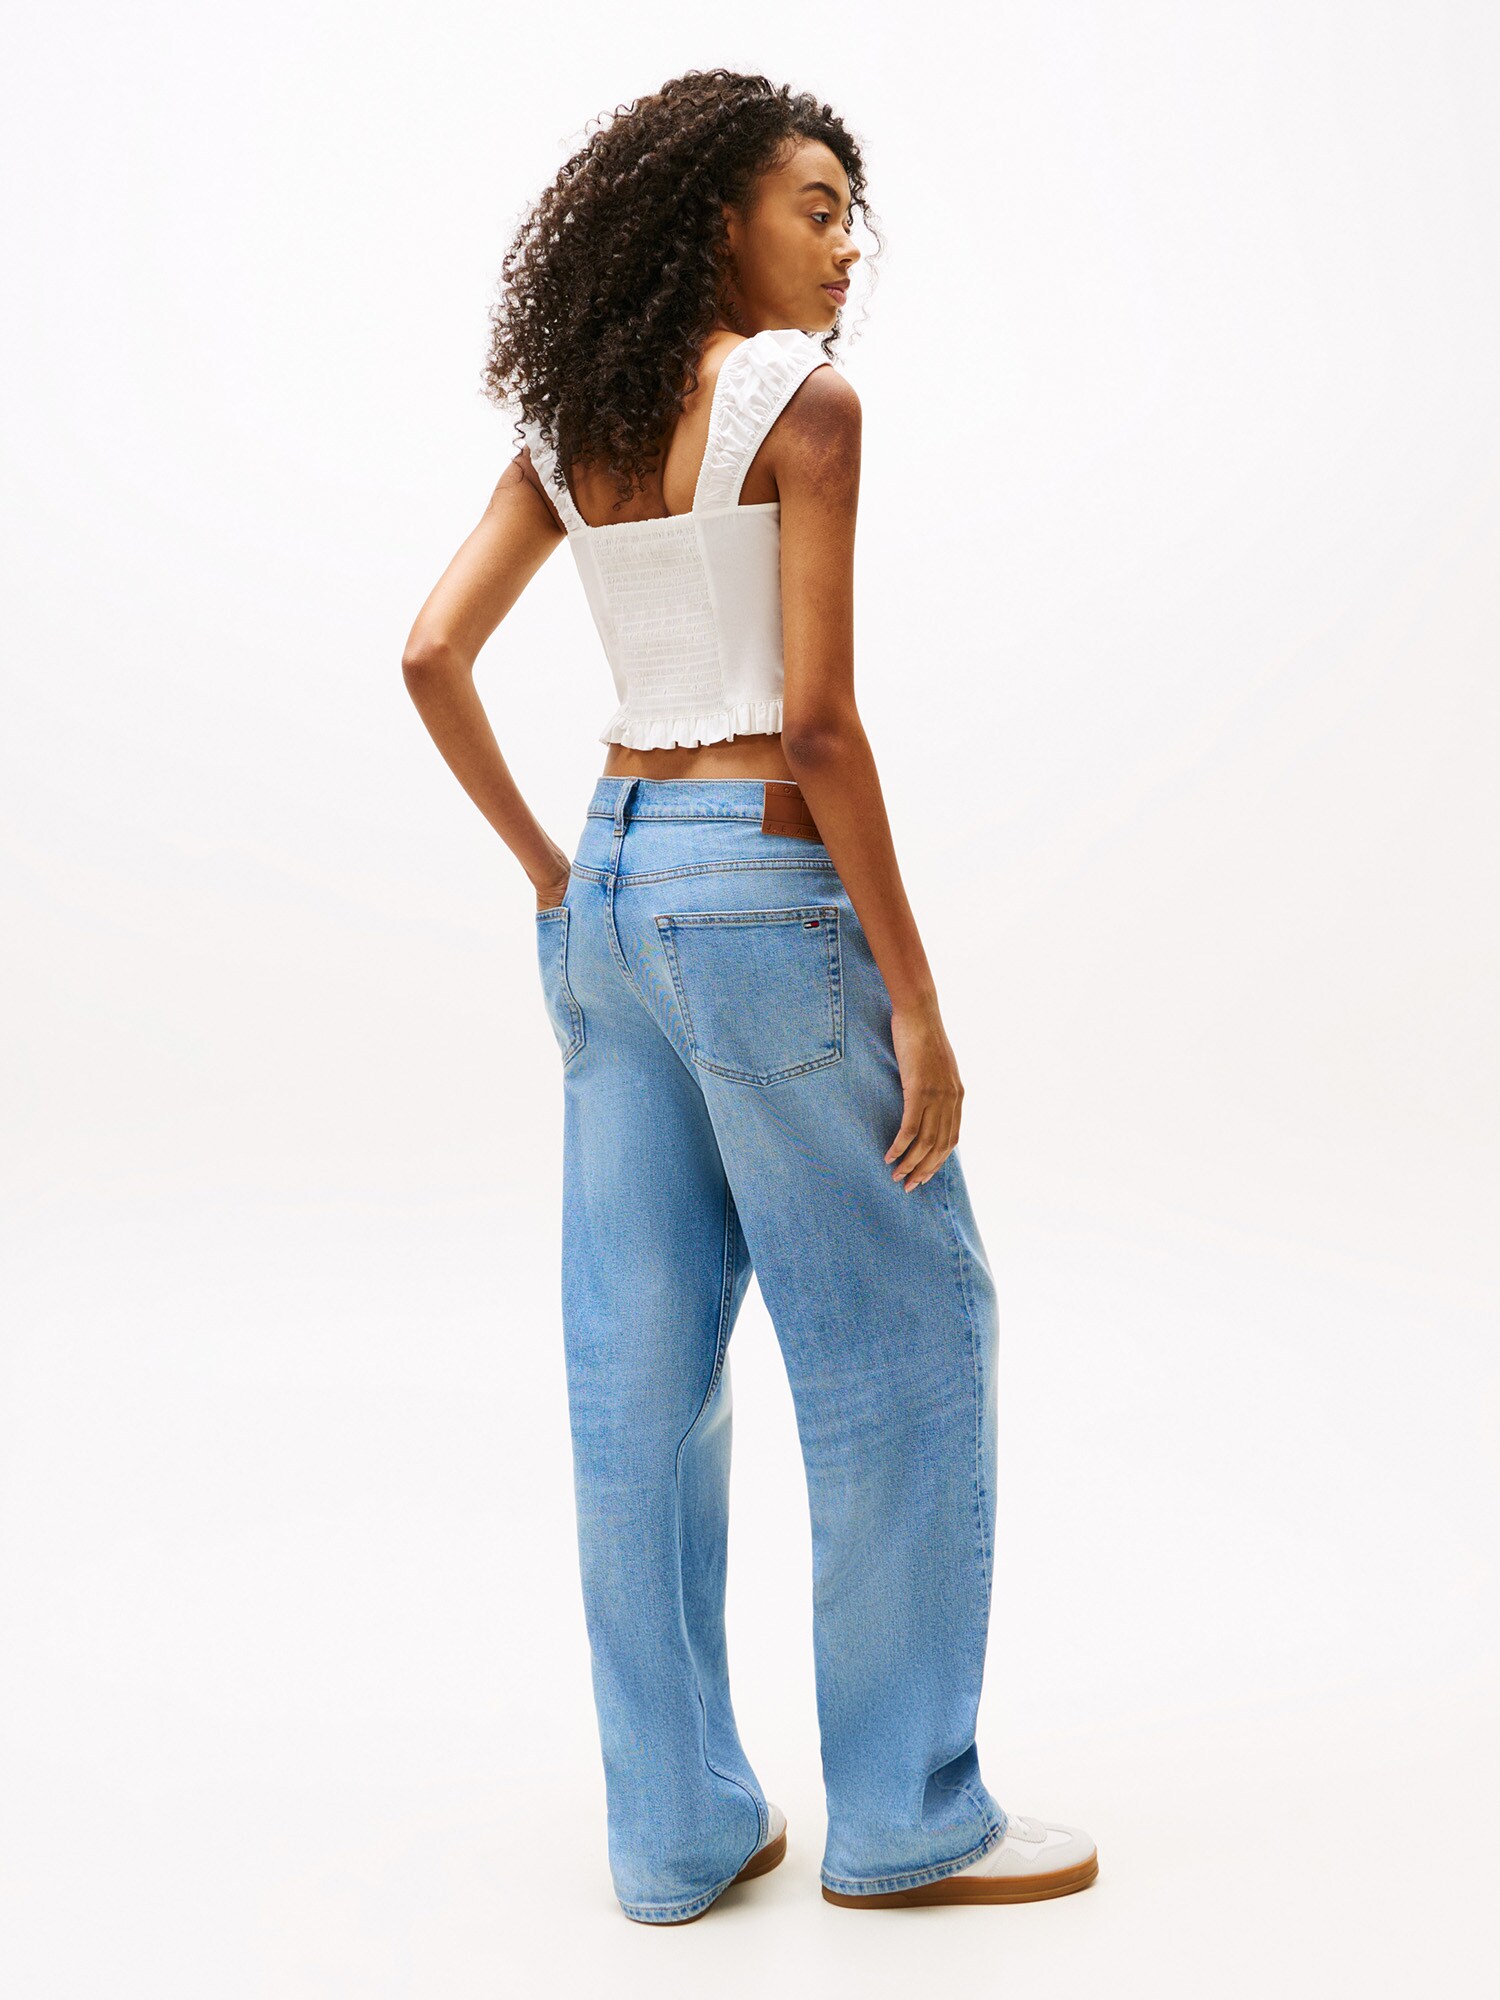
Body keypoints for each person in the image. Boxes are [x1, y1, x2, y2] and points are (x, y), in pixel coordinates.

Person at [402, 68, 1097, 1925]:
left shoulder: (575, 417)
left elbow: (432, 652)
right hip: (757, 887)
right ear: (718, 218)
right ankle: (908, 1817)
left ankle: (675, 1833)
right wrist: (919, 1002)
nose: (848, 245)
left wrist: (553, 879)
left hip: (612, 886)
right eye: (816, 205)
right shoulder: (803, 403)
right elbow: (820, 727)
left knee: (634, 1370)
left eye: (853, 212)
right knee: (901, 1342)